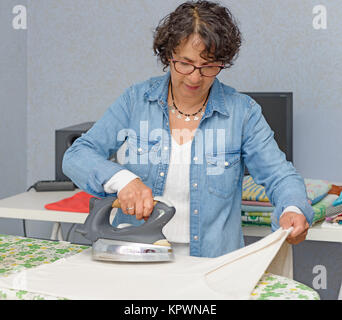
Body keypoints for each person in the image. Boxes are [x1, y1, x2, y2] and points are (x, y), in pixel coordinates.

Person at [62, 0, 313, 258]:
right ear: (168, 54)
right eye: (185, 63)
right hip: (137, 257)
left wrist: (292, 208)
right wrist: (124, 180)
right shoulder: (135, 100)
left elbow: (280, 175)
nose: (195, 77)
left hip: (212, 264)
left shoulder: (243, 112)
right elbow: (77, 155)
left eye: (209, 66)